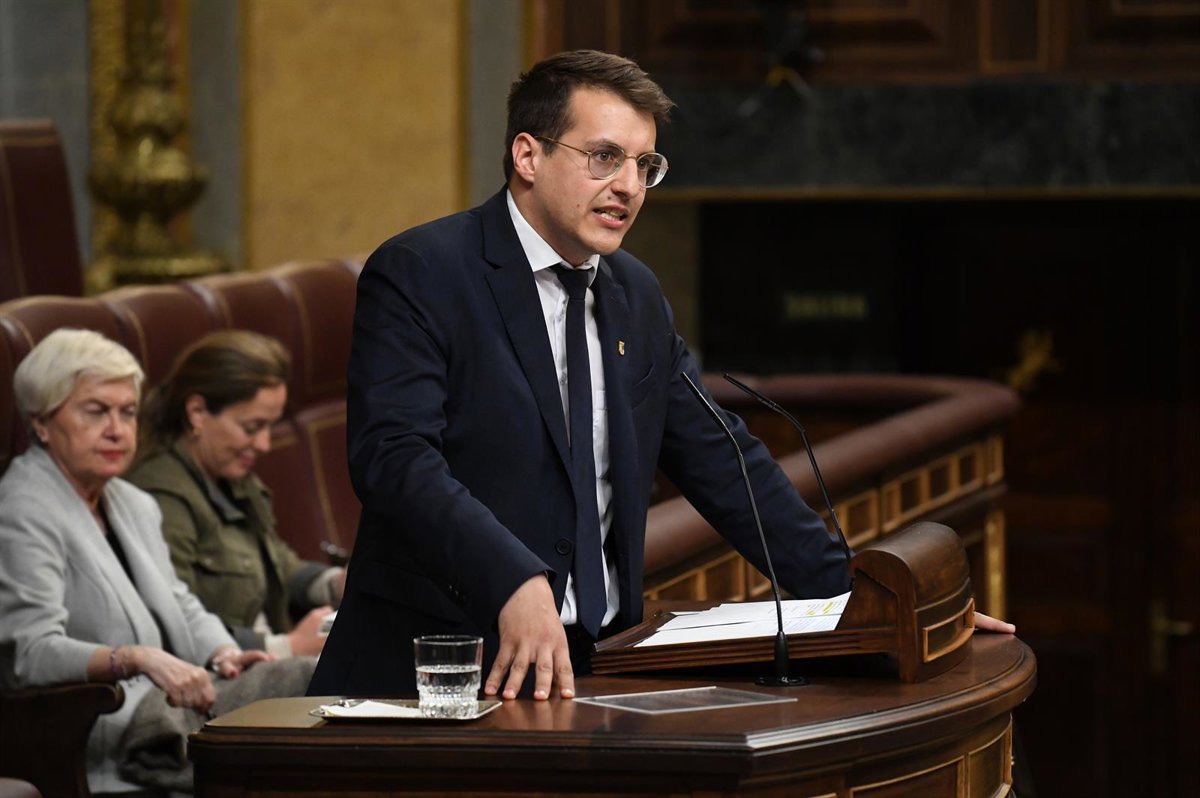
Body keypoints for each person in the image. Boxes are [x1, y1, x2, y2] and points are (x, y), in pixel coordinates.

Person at [308, 49, 1013, 704]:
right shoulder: (425, 272)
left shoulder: (634, 293)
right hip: (437, 671)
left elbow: (725, 463)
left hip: (596, 668)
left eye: (645, 164)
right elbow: (394, 459)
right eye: (604, 157)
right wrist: (513, 577)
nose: (628, 186)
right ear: (528, 155)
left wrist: (873, 606)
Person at [0, 329, 290, 794]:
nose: (117, 429)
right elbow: (29, 654)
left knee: (309, 684)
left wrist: (224, 652)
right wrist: (132, 659)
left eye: (128, 412)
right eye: (96, 411)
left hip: (178, 711)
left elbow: (177, 599)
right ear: (42, 422)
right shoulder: (22, 510)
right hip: (111, 738)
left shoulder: (132, 502)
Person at [127, 330, 344, 658]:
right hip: (229, 671)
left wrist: (338, 584)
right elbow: (173, 626)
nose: (264, 444)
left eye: (270, 426)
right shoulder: (160, 498)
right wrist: (289, 647)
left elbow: (276, 564)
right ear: (197, 412)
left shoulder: (227, 475)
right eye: (252, 427)